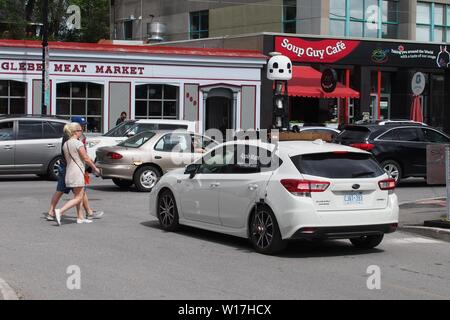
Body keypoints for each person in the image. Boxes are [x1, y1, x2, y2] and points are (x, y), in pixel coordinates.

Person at [46, 116, 103, 222]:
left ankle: (81, 216)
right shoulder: (74, 140)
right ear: (74, 128)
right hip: (73, 168)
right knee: (78, 194)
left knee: (72, 191)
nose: (82, 129)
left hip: (69, 167)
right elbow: (83, 156)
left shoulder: (68, 140)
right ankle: (60, 211)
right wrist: (93, 167)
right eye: (80, 127)